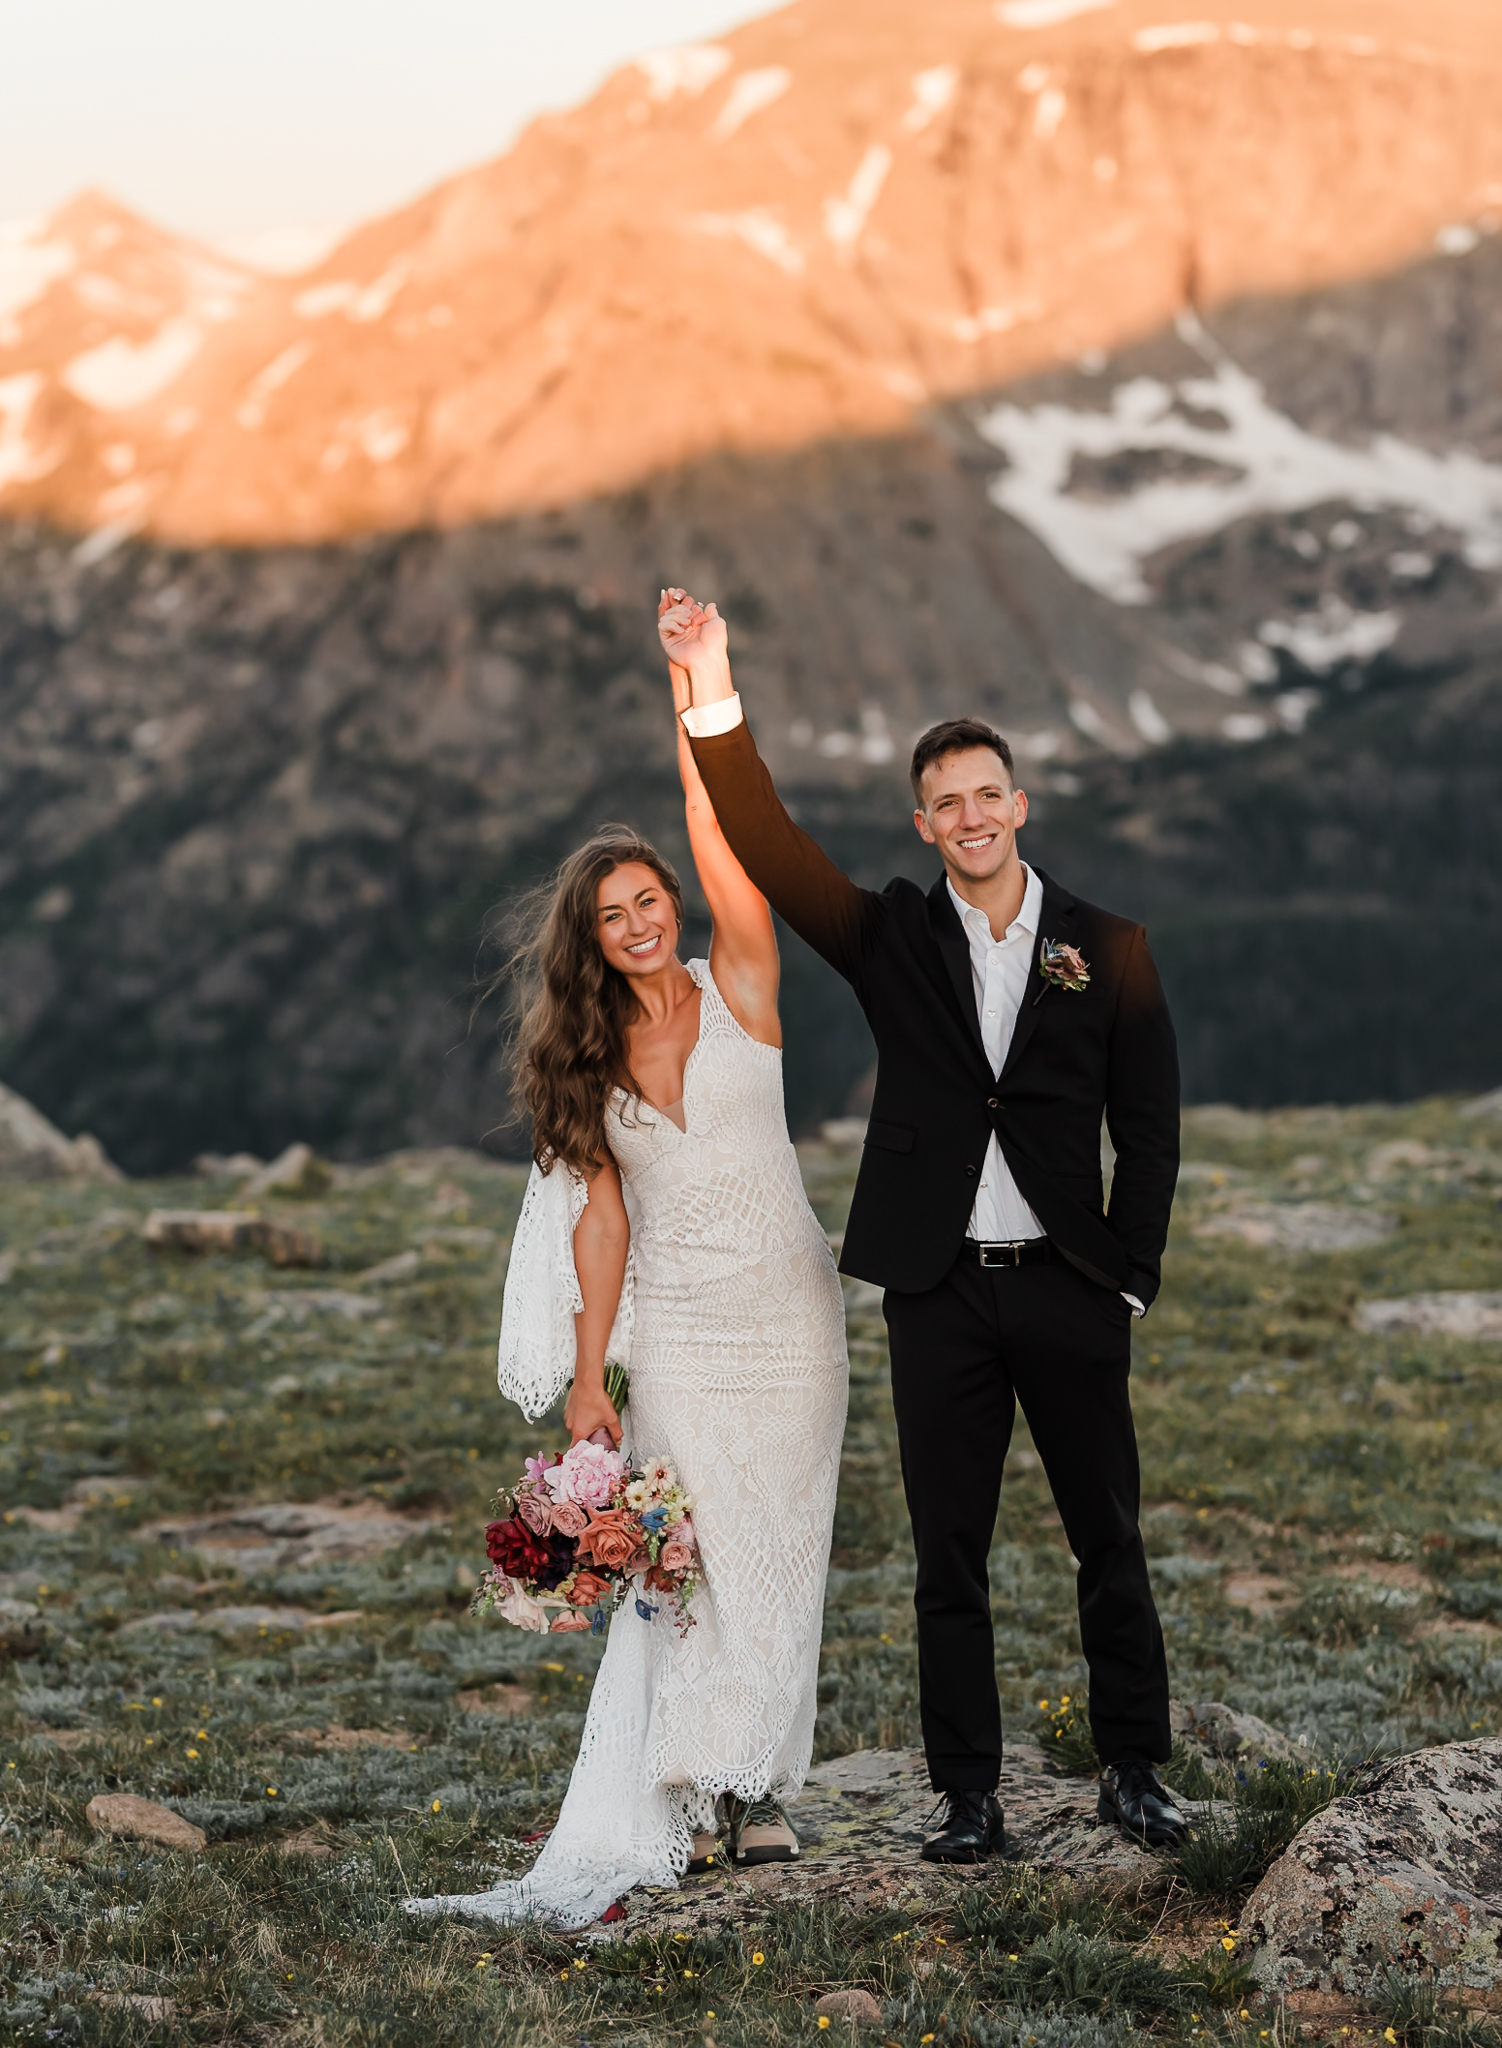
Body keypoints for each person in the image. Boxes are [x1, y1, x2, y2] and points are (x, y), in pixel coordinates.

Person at [660, 587, 1186, 1860]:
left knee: (1105, 1535)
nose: (967, 818)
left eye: (984, 795)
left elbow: (1151, 1122)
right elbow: (768, 840)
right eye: (943, 802)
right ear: (923, 822)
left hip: (1068, 1285)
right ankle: (969, 1795)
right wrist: (711, 677)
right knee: (946, 1554)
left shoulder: (1105, 947)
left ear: (1017, 806)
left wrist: (1129, 1271)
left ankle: (1133, 1769)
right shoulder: (888, 934)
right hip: (936, 1289)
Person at [406, 602, 849, 1930]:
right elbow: (600, 1223)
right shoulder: (590, 1072)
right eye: (614, 915)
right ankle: (710, 1791)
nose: (642, 923)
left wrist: (699, 687)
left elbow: (727, 844)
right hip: (682, 1343)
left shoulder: (747, 986)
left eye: (649, 900)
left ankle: (759, 1781)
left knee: (783, 1553)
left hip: (792, 1326)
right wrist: (592, 1371)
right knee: (696, 1563)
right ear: (591, 941)